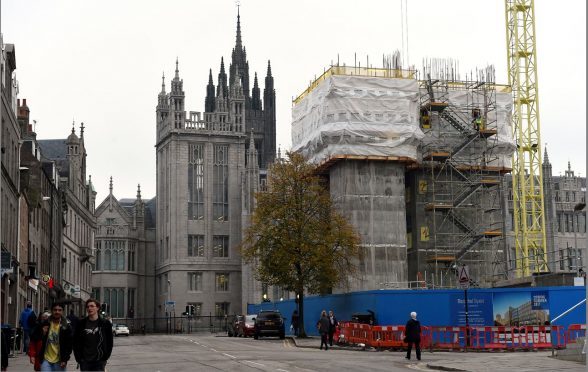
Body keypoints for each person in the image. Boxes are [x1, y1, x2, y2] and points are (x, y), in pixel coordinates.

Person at [73, 298, 113, 371]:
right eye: (88, 307)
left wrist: (105, 357)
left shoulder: (105, 324)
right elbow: (76, 342)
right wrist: (79, 358)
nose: (89, 308)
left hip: (99, 361)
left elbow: (109, 342)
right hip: (85, 361)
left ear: (97, 308)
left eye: (92, 306)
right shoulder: (81, 324)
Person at [37, 302, 73, 371]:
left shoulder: (66, 326)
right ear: (51, 311)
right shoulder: (45, 323)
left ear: (62, 311)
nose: (57, 312)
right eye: (55, 310)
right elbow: (34, 337)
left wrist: (65, 359)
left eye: (59, 310)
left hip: (60, 361)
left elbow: (69, 345)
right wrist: (42, 333)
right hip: (46, 359)